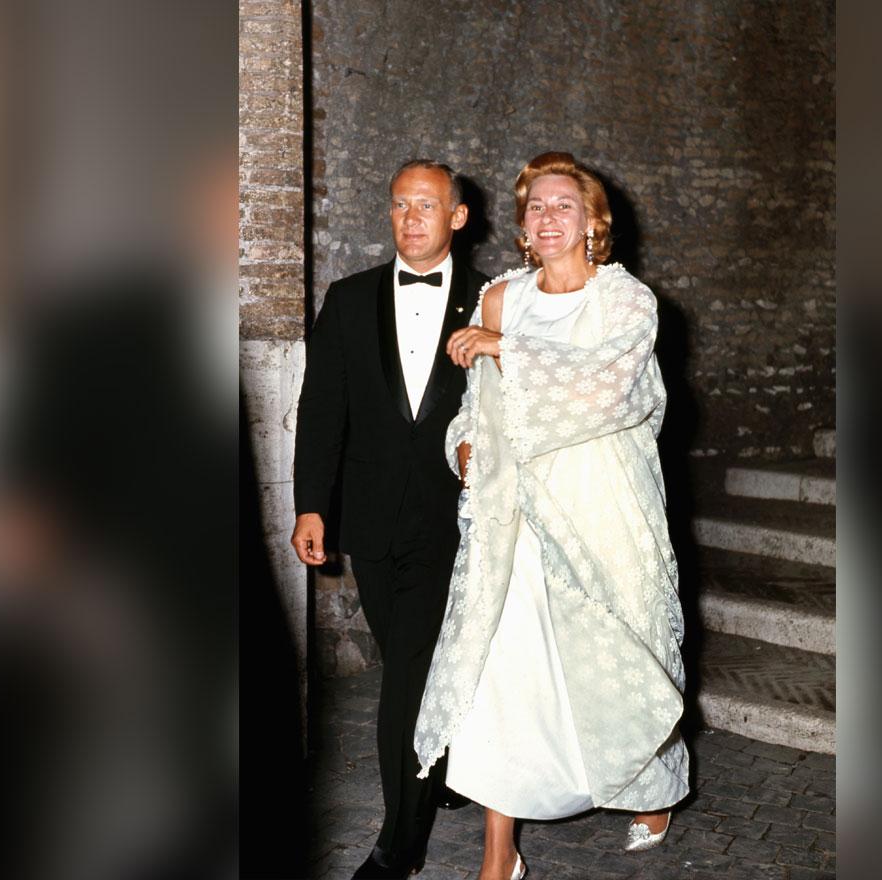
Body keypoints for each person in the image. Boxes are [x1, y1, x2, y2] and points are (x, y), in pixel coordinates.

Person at [414, 152, 689, 880]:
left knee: (626, 645)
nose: (548, 216)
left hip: (605, 502)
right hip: (518, 513)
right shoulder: (502, 297)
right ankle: (499, 849)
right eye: (536, 206)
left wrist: (509, 350)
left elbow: (610, 390)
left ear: (593, 222)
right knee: (501, 662)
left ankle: (646, 782)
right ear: (524, 226)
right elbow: (479, 407)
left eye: (564, 204)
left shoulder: (626, 301)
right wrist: (464, 446)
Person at [291, 159, 486, 880]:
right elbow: (322, 411)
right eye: (400, 204)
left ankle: (398, 844)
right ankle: (441, 768)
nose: (410, 219)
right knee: (415, 659)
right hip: (370, 522)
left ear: (458, 217)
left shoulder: (495, 301)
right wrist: (311, 503)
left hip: (454, 520)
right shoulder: (348, 300)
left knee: (402, 674)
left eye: (426, 206)